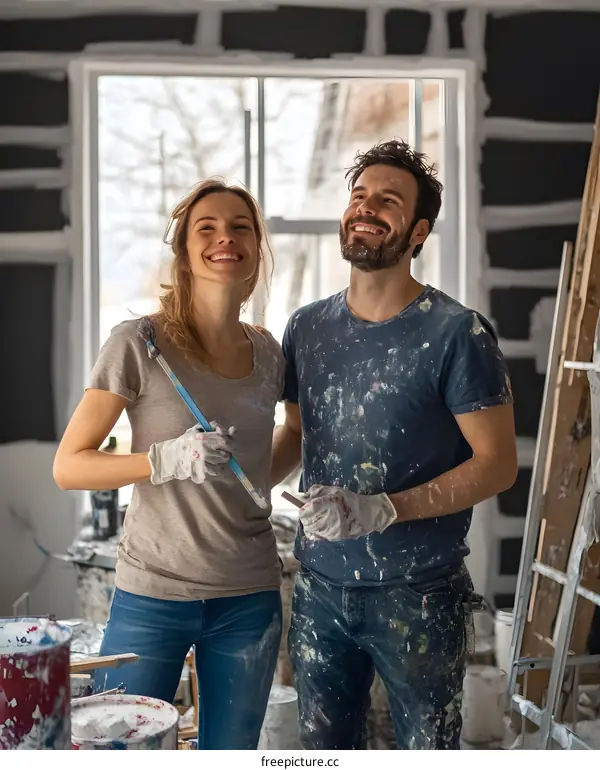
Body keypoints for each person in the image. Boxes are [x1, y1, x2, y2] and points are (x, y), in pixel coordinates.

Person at [271, 140, 517, 750]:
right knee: (323, 754)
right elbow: (296, 435)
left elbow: (497, 465)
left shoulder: (457, 332)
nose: (366, 207)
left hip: (419, 595)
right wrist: (237, 474)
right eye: (359, 196)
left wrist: (384, 508)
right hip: (319, 586)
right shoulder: (307, 327)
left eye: (388, 200)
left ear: (418, 232)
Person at [54, 179, 285, 750]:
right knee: (120, 752)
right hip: (152, 593)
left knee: (229, 755)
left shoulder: (270, 353)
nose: (225, 238)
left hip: (249, 597)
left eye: (240, 227)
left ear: (256, 248)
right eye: (206, 228)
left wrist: (255, 481)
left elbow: (289, 440)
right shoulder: (139, 342)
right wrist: (161, 460)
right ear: (183, 251)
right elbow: (69, 467)